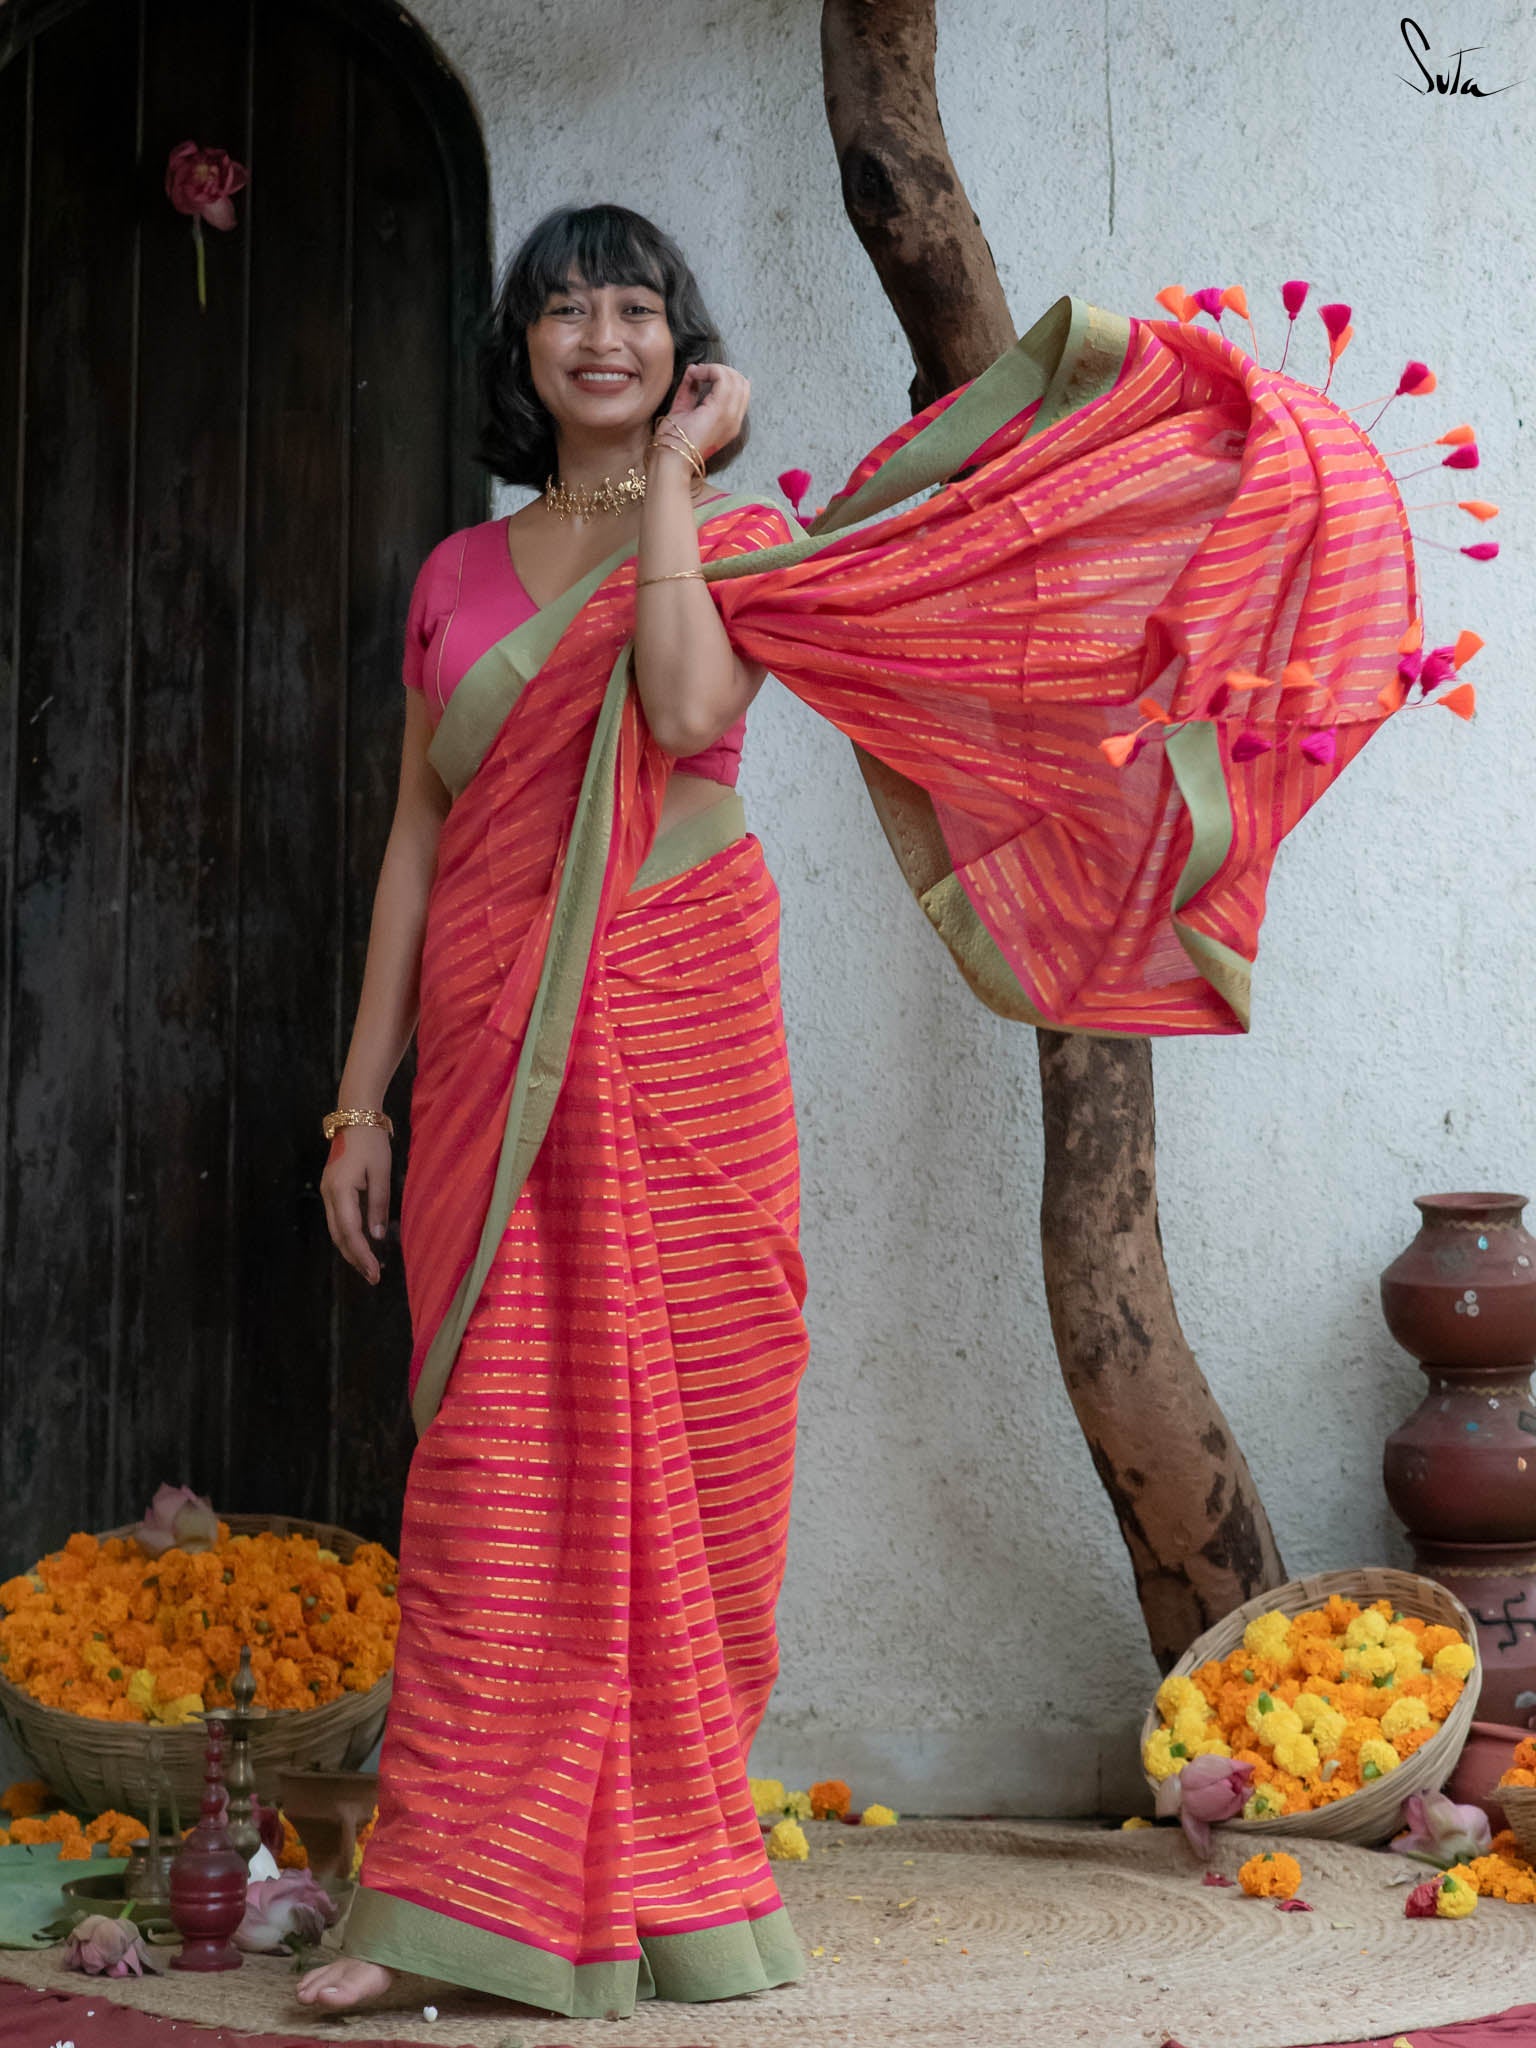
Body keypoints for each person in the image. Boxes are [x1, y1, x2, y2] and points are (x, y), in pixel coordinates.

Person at [298, 201, 1416, 2017]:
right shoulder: (455, 573)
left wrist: (675, 481)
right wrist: (359, 1106)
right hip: (496, 1042)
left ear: (683, 350)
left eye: (636, 307)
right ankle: (451, 1904)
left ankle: (663, 1887)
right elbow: (420, 841)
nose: (600, 334)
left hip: (674, 1021)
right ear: (519, 352)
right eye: (565, 308)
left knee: (700, 1444)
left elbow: (681, 704)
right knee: (495, 1463)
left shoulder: (736, 539)